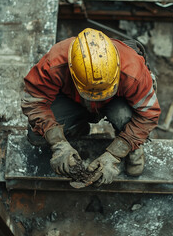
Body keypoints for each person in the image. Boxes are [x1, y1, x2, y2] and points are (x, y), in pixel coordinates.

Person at [21, 28, 160, 186]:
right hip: (73, 100)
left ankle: (132, 146)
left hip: (115, 103)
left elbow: (148, 115)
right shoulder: (55, 63)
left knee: (124, 116)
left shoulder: (134, 70)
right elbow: (34, 102)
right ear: (72, 70)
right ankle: (75, 129)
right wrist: (58, 143)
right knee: (36, 136)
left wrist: (115, 154)